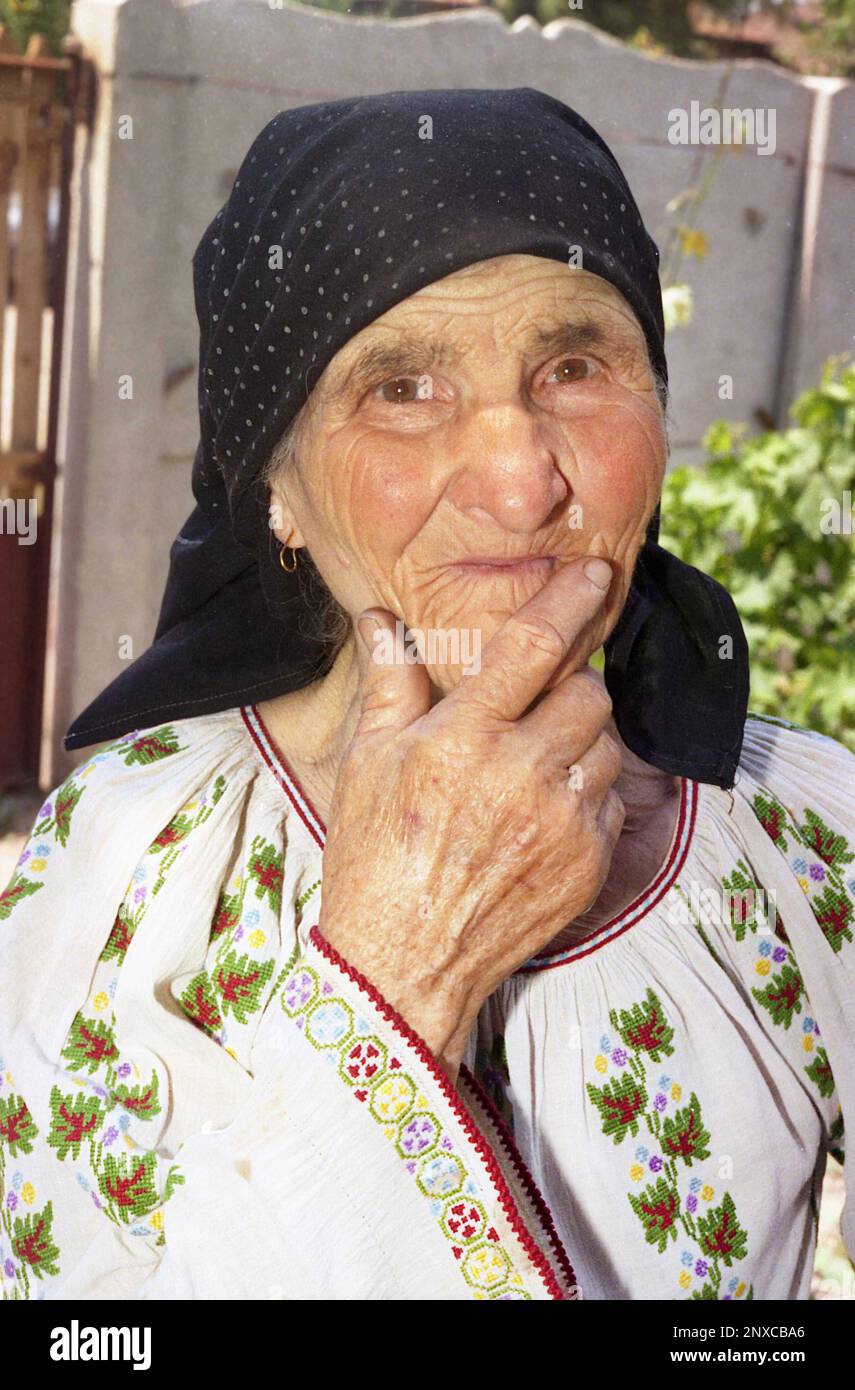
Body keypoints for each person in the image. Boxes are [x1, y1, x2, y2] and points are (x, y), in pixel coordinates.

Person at [1, 88, 852, 1302]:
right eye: (402, 387)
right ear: (278, 492)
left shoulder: (805, 835)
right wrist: (397, 982)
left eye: (572, 365)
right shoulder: (128, 864)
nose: (519, 483)